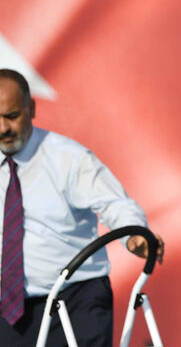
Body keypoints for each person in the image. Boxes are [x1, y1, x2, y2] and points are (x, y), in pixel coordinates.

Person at [0, 69, 164, 347]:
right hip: (8, 310)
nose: (3, 128)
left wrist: (135, 236)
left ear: (31, 108)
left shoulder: (69, 159)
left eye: (12, 116)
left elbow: (115, 204)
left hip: (75, 300)